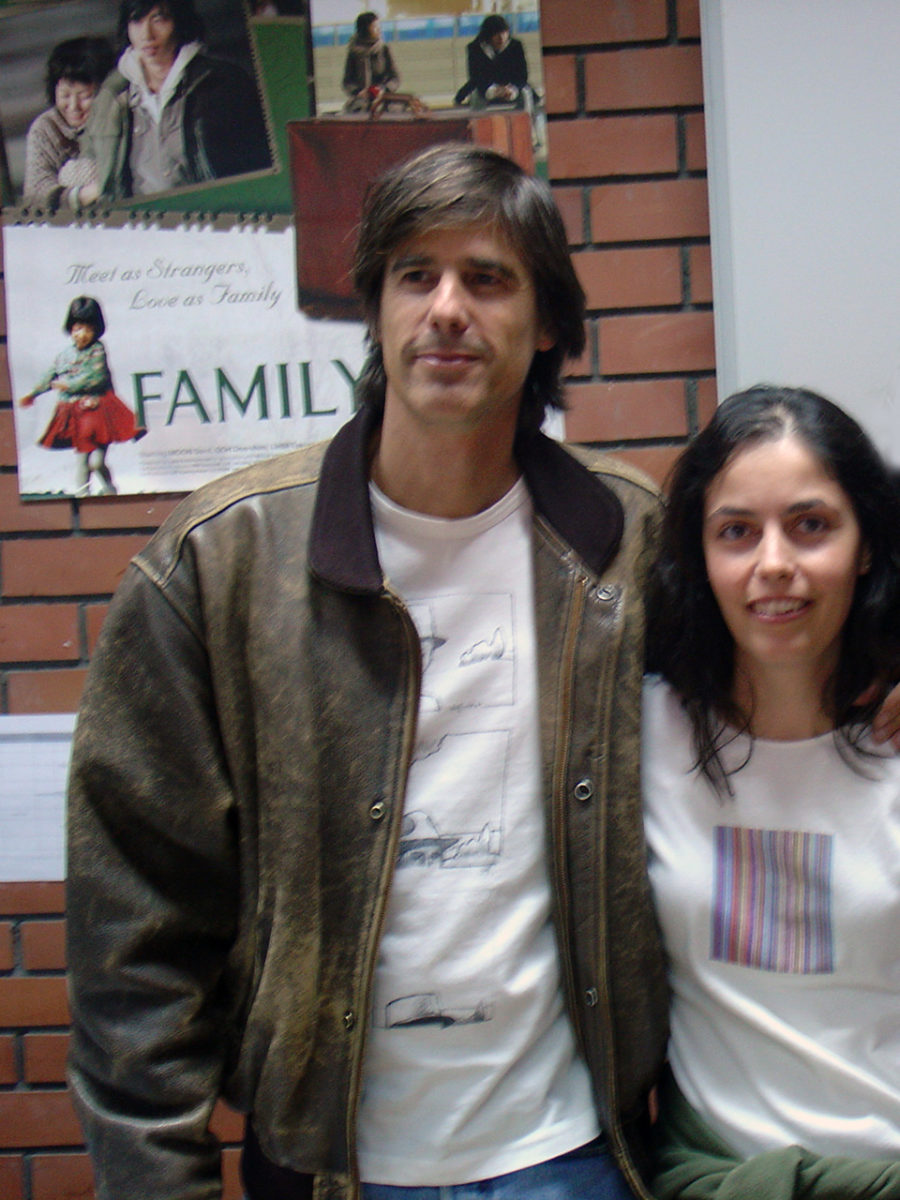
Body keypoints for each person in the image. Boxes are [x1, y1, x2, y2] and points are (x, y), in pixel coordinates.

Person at [66, 143, 669, 1200]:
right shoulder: (223, 560)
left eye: (488, 278)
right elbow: (135, 928)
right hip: (331, 1166)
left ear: (547, 324)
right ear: (375, 310)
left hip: (573, 1155)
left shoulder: (625, 540)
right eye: (414, 275)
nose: (447, 309)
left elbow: (774, 703)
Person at [643, 385, 900, 1198]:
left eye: (811, 525)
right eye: (737, 532)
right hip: (718, 1179)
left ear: (866, 545)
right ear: (700, 556)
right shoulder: (639, 736)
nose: (775, 563)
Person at [78, 0, 270, 203]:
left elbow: (261, 164)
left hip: (209, 212)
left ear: (180, 22)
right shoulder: (111, 94)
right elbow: (89, 164)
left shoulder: (224, 82)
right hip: (137, 218)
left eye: (158, 20)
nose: (146, 35)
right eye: (136, 21)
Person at [18, 295, 144, 496]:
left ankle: (110, 489)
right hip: (77, 413)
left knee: (96, 462)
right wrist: (33, 394)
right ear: (70, 329)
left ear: (96, 330)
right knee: (82, 458)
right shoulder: (64, 355)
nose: (82, 334)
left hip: (99, 411)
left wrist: (68, 385)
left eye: (88, 329)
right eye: (77, 329)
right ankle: (82, 494)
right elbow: (50, 375)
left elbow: (96, 377)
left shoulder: (97, 350)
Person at [22, 36, 114, 210]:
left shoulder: (116, 118)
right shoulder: (44, 128)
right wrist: (80, 196)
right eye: (65, 95)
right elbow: (35, 193)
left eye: (85, 96)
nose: (73, 106)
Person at [454, 16, 534, 112]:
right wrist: (492, 90)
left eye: (504, 33)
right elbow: (475, 77)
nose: (501, 37)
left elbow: (522, 75)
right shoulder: (475, 48)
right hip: (485, 87)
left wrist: (511, 89)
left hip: (511, 86)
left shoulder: (515, 46)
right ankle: (479, 120)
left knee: (525, 93)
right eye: (496, 34)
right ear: (487, 35)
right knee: (476, 96)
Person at [342, 12, 400, 112]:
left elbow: (395, 78)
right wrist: (358, 92)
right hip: (360, 100)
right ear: (365, 29)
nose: (379, 29)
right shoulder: (353, 52)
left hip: (384, 99)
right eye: (375, 27)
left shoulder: (384, 49)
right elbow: (347, 81)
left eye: (379, 26)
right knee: (356, 112)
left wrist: (384, 89)